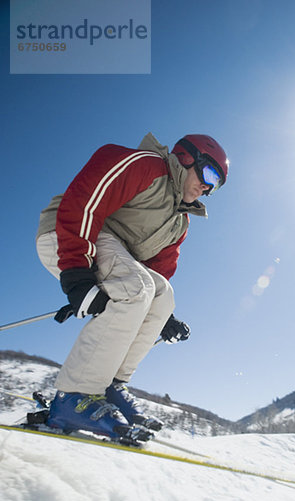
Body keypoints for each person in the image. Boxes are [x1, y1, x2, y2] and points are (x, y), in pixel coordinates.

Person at [36, 132, 229, 441]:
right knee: (136, 287)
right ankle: (74, 395)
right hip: (69, 234)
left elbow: (159, 272)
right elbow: (86, 202)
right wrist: (77, 273)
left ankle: (107, 383)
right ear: (187, 157)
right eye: (209, 173)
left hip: (112, 255)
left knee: (164, 296)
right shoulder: (148, 167)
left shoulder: (180, 222)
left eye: (216, 185)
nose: (208, 186)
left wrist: (160, 319)